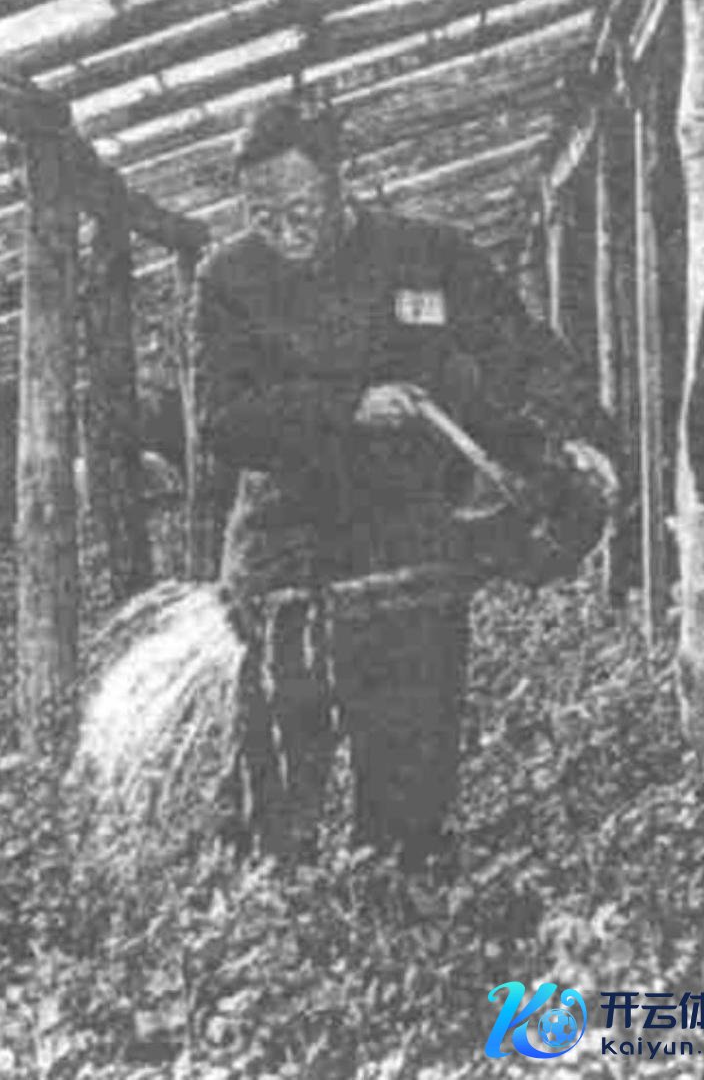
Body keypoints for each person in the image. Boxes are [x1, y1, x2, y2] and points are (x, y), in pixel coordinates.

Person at [188, 96, 618, 863]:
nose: (283, 230)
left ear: (339, 182)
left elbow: (520, 351)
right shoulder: (228, 279)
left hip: (410, 539)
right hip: (288, 547)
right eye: (261, 214)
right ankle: (277, 885)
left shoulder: (428, 255)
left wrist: (579, 429)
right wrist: (347, 407)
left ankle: (404, 875)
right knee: (278, 766)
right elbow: (222, 419)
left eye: (299, 208)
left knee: (412, 756)